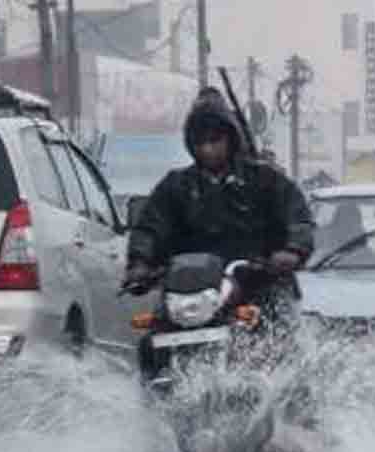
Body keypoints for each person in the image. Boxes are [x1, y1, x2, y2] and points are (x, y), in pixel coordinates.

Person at [124, 86, 314, 319]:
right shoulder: (176, 186)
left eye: (215, 140)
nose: (207, 148)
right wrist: (140, 262)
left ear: (231, 138)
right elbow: (150, 227)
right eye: (199, 142)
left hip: (258, 283)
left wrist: (292, 251)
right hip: (189, 292)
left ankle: (282, 352)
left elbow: (297, 216)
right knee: (153, 333)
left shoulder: (265, 180)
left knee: (276, 323)